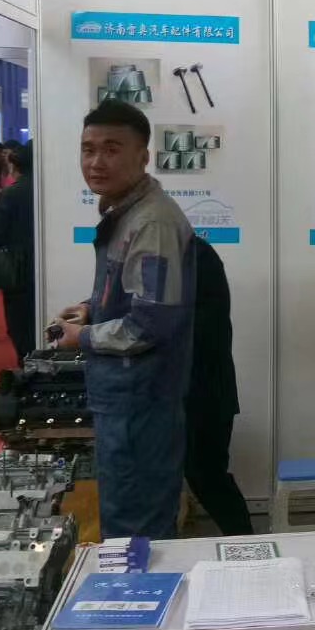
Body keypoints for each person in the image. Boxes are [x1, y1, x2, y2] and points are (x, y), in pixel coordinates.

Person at [54, 101, 195, 540]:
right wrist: (92, 308)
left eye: (112, 149)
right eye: (88, 149)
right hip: (126, 395)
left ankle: (139, 586)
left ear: (143, 156)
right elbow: (134, 295)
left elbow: (149, 323)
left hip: (140, 400)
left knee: (136, 527)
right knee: (126, 515)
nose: (96, 162)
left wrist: (83, 337)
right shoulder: (126, 212)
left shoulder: (151, 222)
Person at [184, 235, 253, 536]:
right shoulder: (176, 253)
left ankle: (248, 548)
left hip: (204, 393)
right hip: (190, 392)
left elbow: (197, 330)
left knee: (207, 476)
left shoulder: (194, 255)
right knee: (204, 476)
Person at [0, 141, 35, 364]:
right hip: (56, 266)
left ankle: (25, 362)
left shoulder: (10, 194)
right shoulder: (59, 192)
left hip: (18, 267)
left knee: (20, 322)